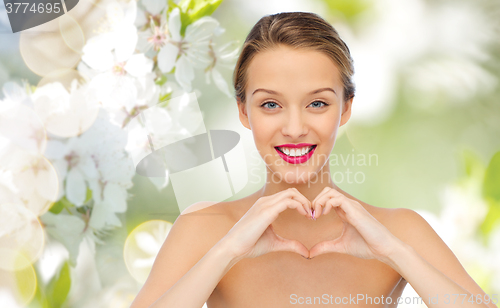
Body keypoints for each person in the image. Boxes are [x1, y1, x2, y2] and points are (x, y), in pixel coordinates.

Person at [130, 12, 498, 308]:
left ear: (345, 109)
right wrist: (227, 251)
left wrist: (396, 254)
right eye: (270, 104)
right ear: (244, 111)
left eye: (317, 103)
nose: (294, 128)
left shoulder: (398, 231)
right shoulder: (206, 228)